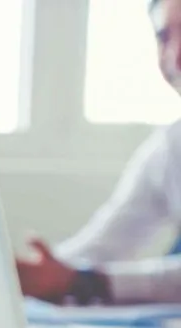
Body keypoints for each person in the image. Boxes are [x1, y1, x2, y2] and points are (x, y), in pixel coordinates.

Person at [16, 0, 181, 306]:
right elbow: (104, 243)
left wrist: (87, 283)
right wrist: (37, 273)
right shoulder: (172, 146)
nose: (176, 55)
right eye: (164, 37)